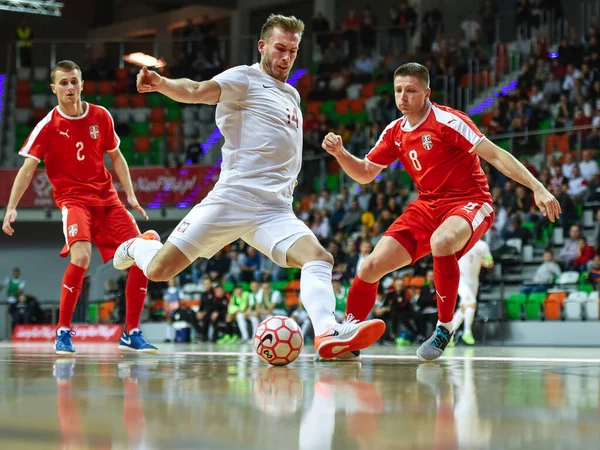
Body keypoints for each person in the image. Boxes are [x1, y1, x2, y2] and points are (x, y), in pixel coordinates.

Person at [113, 14, 385, 360]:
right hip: (233, 200)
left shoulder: (292, 95)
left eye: (293, 51)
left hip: (274, 209)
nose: (286, 57)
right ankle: (138, 247)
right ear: (262, 46)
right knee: (160, 271)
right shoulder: (244, 78)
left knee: (319, 257)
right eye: (280, 48)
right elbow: (197, 91)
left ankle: (328, 333)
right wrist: (162, 84)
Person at [321, 62, 561, 361]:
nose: (403, 97)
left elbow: (496, 155)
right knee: (369, 267)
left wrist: (537, 186)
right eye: (398, 90)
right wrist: (341, 154)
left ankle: (444, 327)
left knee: (441, 242)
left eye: (411, 90)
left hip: (469, 202)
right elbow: (366, 173)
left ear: (426, 92)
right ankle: (349, 337)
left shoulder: (448, 121)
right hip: (426, 206)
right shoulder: (394, 131)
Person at [2, 60, 156, 355]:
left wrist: (131, 195)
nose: (70, 87)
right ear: (54, 88)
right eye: (63, 83)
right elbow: (27, 168)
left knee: (142, 255)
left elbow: (117, 156)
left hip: (109, 200)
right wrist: (12, 207)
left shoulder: (101, 115)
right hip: (74, 201)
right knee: (82, 256)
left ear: (82, 84)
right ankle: (63, 331)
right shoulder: (48, 126)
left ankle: (131, 331)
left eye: (74, 81)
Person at [450, 238, 494, 346]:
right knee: (472, 303)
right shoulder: (461, 241)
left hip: (474, 281)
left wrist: (483, 262)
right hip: (461, 278)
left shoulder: (483, 245)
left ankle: (448, 335)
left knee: (464, 308)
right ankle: (467, 332)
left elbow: (490, 263)